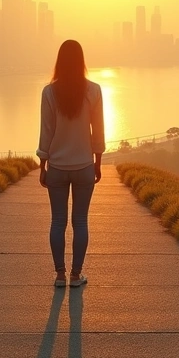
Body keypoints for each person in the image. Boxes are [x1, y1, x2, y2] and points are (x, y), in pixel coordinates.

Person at [36, 40, 105, 288]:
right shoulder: (94, 91)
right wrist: (98, 162)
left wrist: (42, 164)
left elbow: (47, 132)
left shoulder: (49, 92)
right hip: (84, 165)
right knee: (80, 222)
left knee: (57, 221)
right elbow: (98, 132)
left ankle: (59, 275)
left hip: (57, 167)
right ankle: (76, 275)